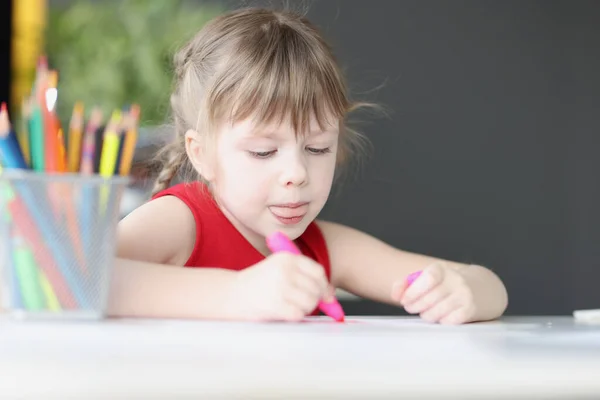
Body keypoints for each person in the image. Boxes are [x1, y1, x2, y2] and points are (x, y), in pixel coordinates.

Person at [112, 7, 508, 324]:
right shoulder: (180, 222)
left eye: (317, 148)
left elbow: (489, 286)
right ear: (201, 153)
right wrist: (239, 294)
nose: (297, 173)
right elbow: (77, 280)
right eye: (264, 152)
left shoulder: (323, 247)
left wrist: (466, 292)